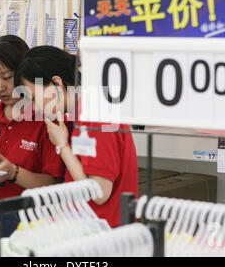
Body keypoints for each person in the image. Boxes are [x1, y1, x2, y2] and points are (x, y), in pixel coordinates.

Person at [15, 45, 138, 227]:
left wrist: (62, 146)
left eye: (33, 97)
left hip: (105, 234)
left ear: (57, 83)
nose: (33, 107)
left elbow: (99, 193)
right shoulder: (82, 112)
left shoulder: (94, 113)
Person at [0, 35, 65, 237]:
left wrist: (14, 172)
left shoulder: (46, 117)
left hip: (34, 222)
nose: (0, 87)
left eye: (7, 77)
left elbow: (56, 186)